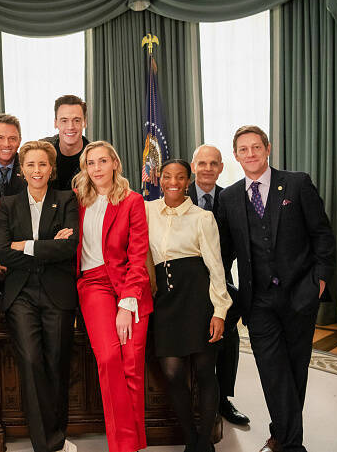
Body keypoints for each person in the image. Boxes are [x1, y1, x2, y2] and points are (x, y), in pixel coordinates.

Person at [216, 126, 335, 452]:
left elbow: (322, 235)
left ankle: (280, 436)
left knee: (295, 370)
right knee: (272, 371)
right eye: (243, 149)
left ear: (267, 149)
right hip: (257, 301)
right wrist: (219, 291)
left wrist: (319, 282)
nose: (250, 153)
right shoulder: (229, 198)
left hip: (301, 293)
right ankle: (292, 446)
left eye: (256, 147)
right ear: (236, 155)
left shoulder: (297, 184)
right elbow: (223, 252)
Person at [0, 140, 79, 452]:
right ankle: (47, 444)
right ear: (21, 169)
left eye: (42, 164)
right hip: (21, 293)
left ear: (51, 168)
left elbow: (68, 247)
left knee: (57, 363)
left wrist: (26, 245)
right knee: (31, 362)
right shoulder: (8, 204)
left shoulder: (66, 199)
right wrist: (47, 246)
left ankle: (57, 435)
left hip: (58, 291)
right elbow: (3, 252)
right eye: (30, 164)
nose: (37, 170)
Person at [146, 159, 232, 452]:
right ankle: (190, 437)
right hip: (165, 301)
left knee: (206, 371)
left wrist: (219, 311)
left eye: (180, 177)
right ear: (160, 179)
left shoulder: (202, 217)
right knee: (172, 373)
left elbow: (216, 267)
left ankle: (203, 443)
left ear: (188, 181)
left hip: (198, 298)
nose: (173, 182)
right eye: (167, 176)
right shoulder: (147, 211)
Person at [73, 141, 152, 452]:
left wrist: (127, 302)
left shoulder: (132, 201)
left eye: (103, 161)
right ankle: (126, 446)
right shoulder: (77, 200)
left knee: (131, 365)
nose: (97, 168)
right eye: (91, 163)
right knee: (108, 359)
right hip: (93, 285)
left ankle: (129, 445)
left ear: (115, 163)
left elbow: (138, 254)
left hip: (130, 287)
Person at [189, 145, 249, 426]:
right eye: (202, 163)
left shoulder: (232, 198)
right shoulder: (178, 194)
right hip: (186, 281)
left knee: (228, 337)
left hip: (221, 278)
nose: (207, 169)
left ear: (221, 168)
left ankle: (223, 398)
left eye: (214, 163)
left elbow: (240, 240)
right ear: (193, 166)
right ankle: (194, 394)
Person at [0, 95, 90, 190]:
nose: (70, 127)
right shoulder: (42, 148)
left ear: (85, 122)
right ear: (55, 123)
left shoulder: (93, 156)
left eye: (77, 120)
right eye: (64, 120)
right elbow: (20, 157)